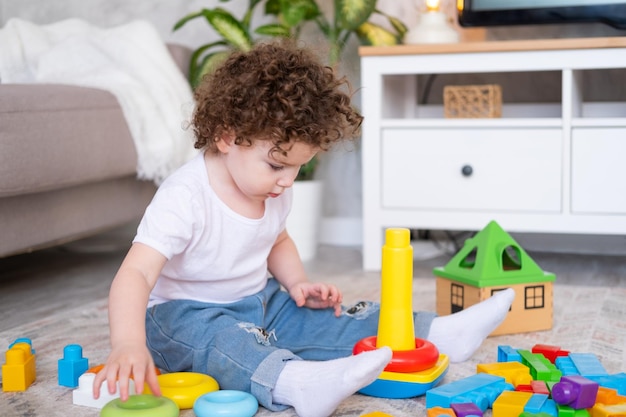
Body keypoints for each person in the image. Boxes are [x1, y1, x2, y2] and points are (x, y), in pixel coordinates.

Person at [93, 40, 515, 417]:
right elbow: (136, 273)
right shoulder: (185, 196)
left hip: (261, 301)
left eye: (299, 166)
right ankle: (297, 383)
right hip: (182, 316)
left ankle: (437, 333)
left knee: (336, 316)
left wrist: (297, 283)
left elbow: (276, 239)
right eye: (278, 165)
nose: (288, 180)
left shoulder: (274, 187)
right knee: (225, 345)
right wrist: (128, 343)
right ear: (226, 137)